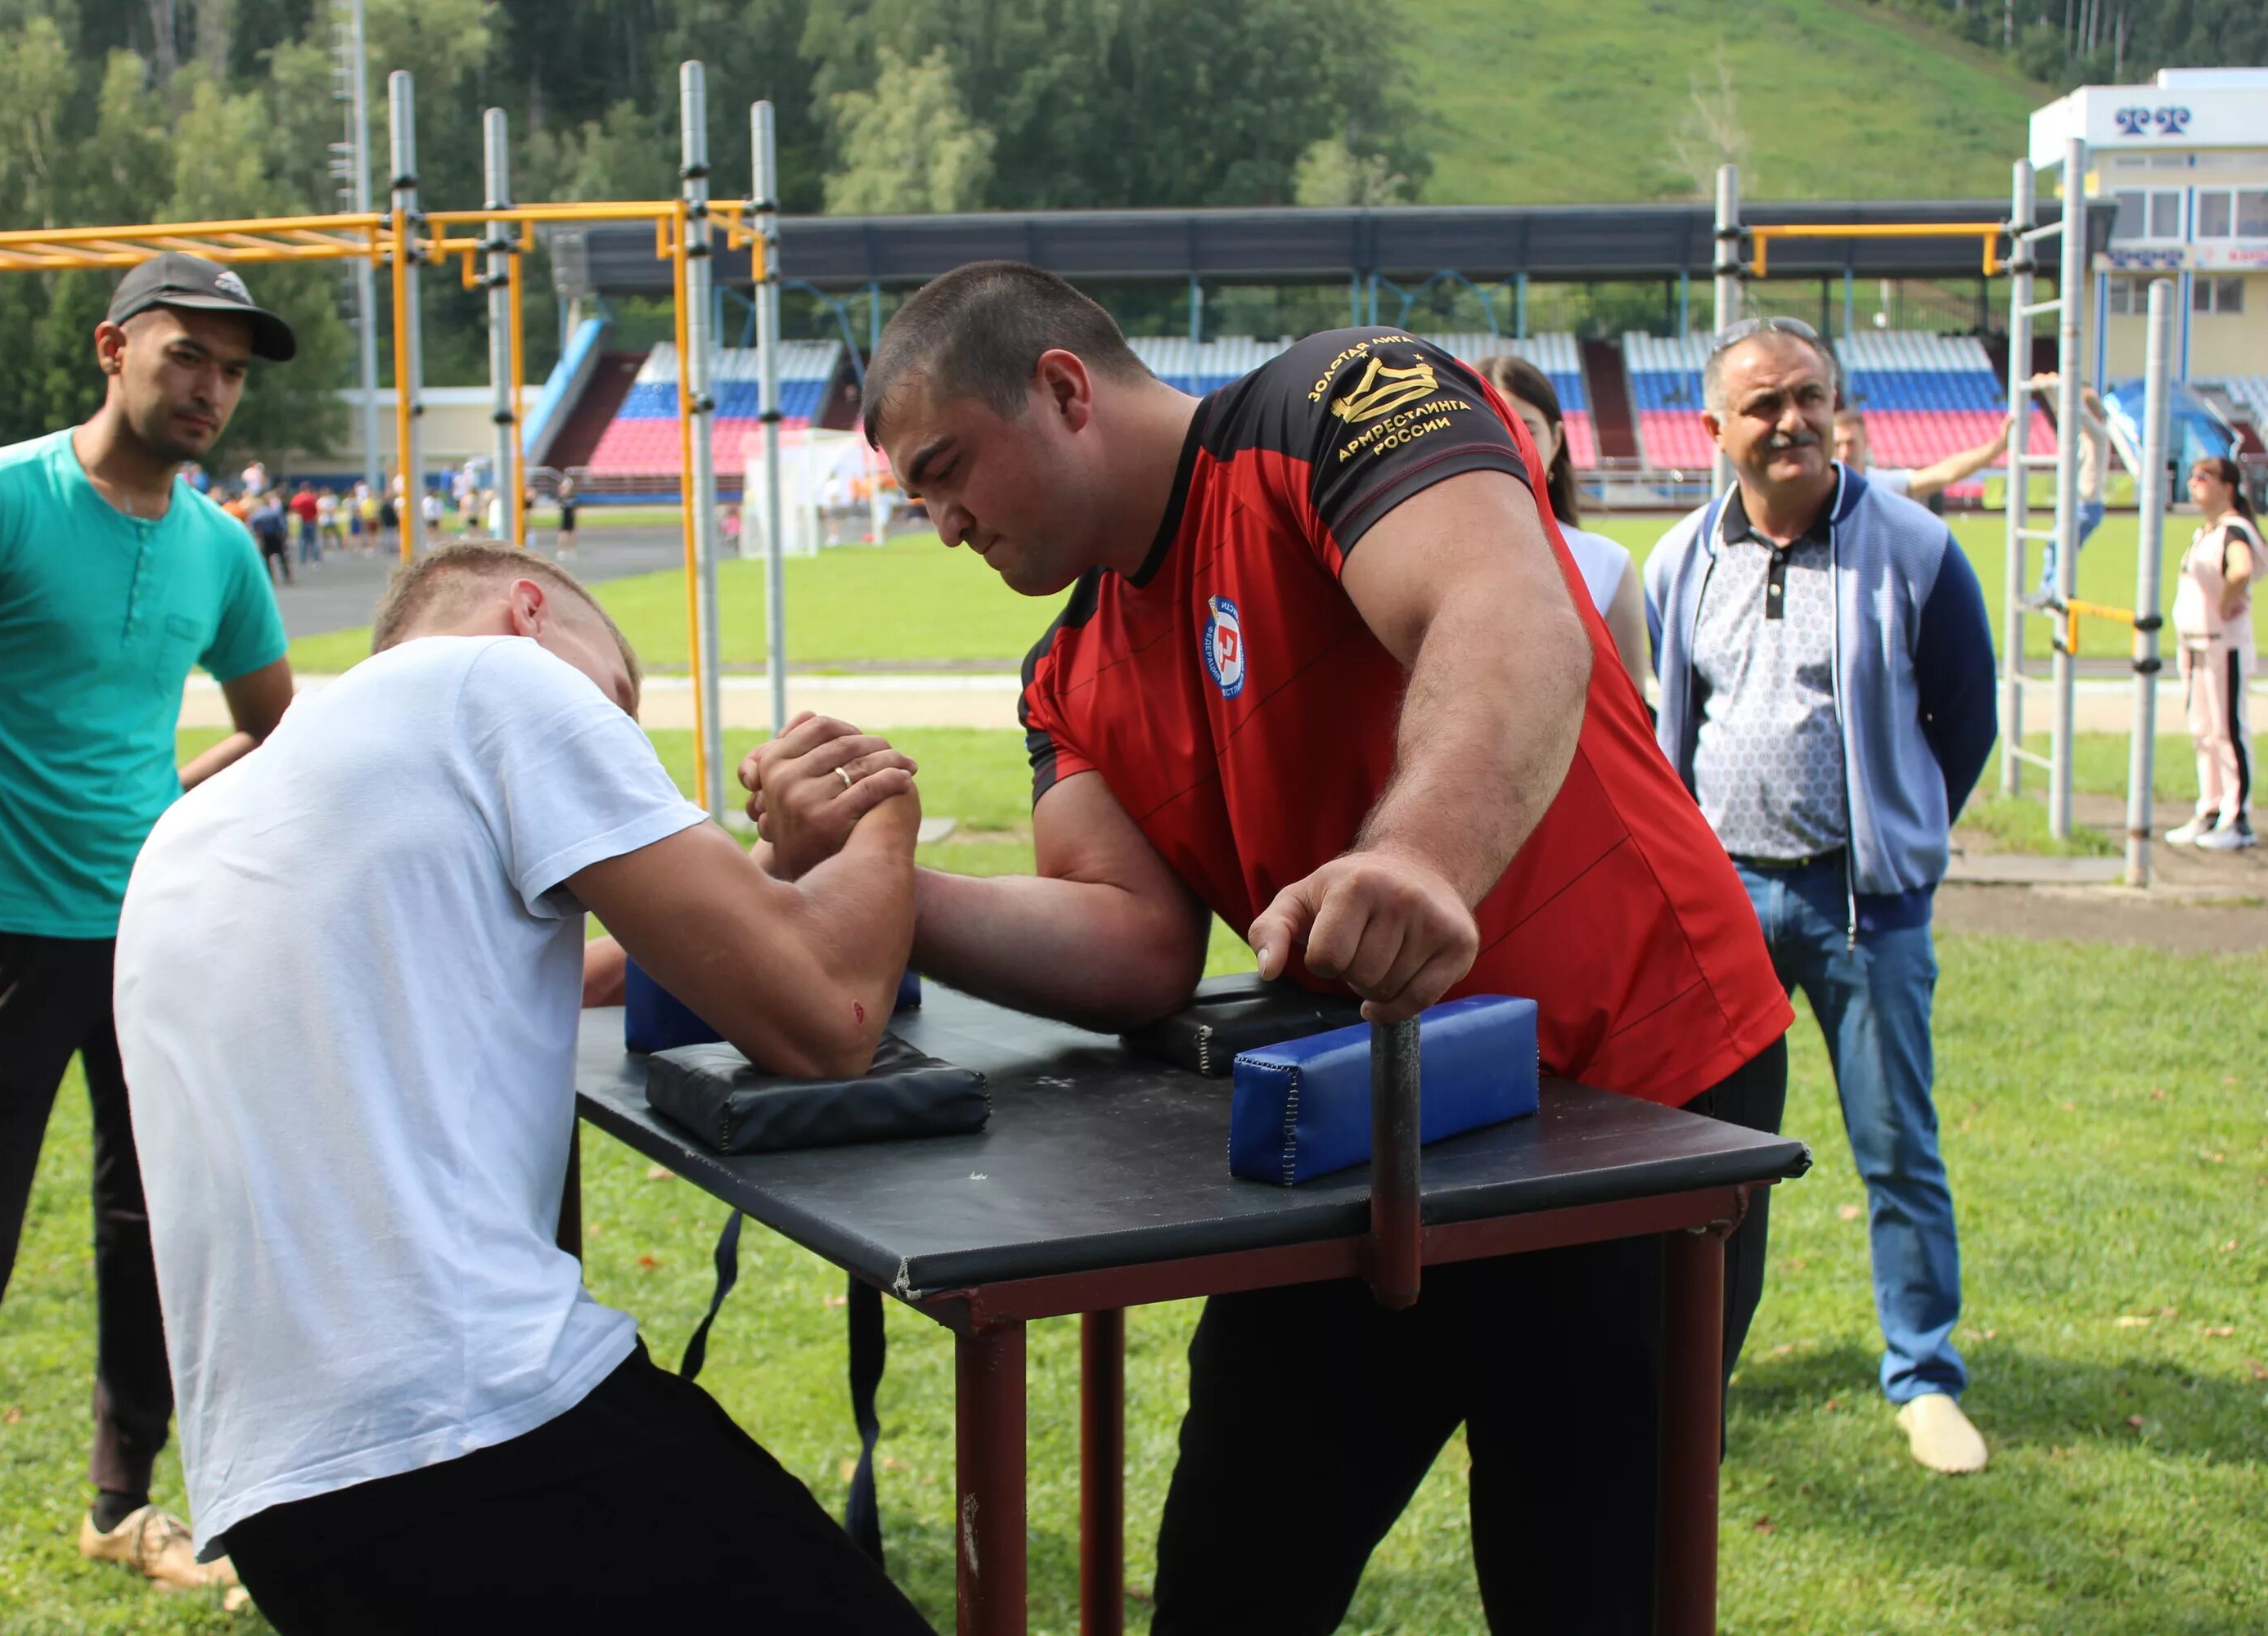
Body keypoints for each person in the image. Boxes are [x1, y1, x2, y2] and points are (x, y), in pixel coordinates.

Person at [675, 261, 1793, 1634]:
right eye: (918, 496)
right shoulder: (1066, 673)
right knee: (1227, 1585)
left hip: (1635, 1098)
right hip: (1360, 1131)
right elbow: (1134, 944)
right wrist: (882, 872)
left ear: (1065, 389)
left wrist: (1415, 860)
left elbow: (1503, 611)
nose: (944, 523)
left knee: (1588, 1587)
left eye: (949, 469)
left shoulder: (1334, 400)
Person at [112, 543, 934, 1635]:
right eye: (620, 702)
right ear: (532, 614)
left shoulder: (214, 814)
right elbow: (828, 1019)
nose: (622, 739)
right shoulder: (499, 680)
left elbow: (541, 974)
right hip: (475, 1427)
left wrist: (757, 902)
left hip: (280, 1494)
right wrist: (881, 810)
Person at [0, 250, 297, 1636]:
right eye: (186, 358)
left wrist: (163, 814)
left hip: (152, 945)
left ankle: (120, 1504)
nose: (211, 388)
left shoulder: (220, 546)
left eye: (230, 369)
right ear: (113, 350)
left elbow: (275, 721)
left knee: (153, 1232)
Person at [1645, 315, 1999, 1477]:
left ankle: (1925, 1373)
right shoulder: (1681, 562)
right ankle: (1697, 1374)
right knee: (1716, 1161)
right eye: (1763, 405)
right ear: (1714, 430)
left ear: (1838, 406)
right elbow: (1673, 731)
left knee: (1896, 1147)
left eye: (1810, 397)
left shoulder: (1914, 546)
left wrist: (1898, 836)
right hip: (1726, 907)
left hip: (1865, 909)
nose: (1791, 421)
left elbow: (1966, 716)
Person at [1475, 354, 1653, 694]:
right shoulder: (1422, 559)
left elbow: (1630, 710)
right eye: (1490, 427)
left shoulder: (1608, 565)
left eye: (1526, 430)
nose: (1511, 446)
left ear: (1556, 439)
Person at [2165, 456, 2258, 852]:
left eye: (2204, 477)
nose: (2194, 482)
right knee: (2203, 731)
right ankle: (2211, 808)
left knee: (2227, 731)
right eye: (2192, 476)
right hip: (2196, 643)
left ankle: (2238, 820)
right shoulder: (2207, 531)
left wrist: (2226, 601)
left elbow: (2241, 568)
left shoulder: (2234, 531)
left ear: (2228, 486)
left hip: (2223, 643)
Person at [2028, 371, 2111, 606]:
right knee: (2055, 549)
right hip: (2076, 503)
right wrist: (2049, 390)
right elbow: (2066, 414)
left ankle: (2054, 592)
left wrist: (2056, 387)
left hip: (2086, 505)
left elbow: (2078, 414)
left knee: (2062, 550)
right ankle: (2049, 590)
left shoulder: (2098, 436)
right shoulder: (2082, 438)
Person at [1832, 408, 2015, 506]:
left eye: (1851, 443)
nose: (1845, 452)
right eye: (1837, 445)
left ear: (1866, 443)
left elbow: (1945, 473)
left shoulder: (1881, 483)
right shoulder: (1818, 491)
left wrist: (1998, 447)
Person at [248, 489, 292, 587]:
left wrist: (256, 534)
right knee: (282, 557)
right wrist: (284, 536)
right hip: (275, 536)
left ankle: (269, 577)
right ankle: (287, 576)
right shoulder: (274, 512)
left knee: (266, 558)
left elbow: (253, 525)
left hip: (264, 537)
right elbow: (281, 525)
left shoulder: (258, 514)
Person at [289, 482, 321, 566]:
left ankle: (303, 561)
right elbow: (315, 511)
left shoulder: (297, 498)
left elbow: (293, 508)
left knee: (303, 541)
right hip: (310, 520)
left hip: (301, 520)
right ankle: (316, 560)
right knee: (313, 541)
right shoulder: (311, 498)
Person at [556, 472, 579, 558]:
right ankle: (561, 550)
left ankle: (572, 550)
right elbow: (559, 504)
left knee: (572, 534)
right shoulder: (562, 497)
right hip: (564, 518)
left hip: (571, 518)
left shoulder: (573, 497)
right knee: (562, 534)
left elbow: (575, 509)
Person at [316, 483, 344, 552]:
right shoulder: (321, 500)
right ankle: (326, 545)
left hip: (333, 519)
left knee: (337, 533)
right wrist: (328, 510)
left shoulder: (334, 498)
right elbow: (320, 509)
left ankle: (340, 545)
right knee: (324, 533)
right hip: (324, 519)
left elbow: (336, 507)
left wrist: (328, 510)